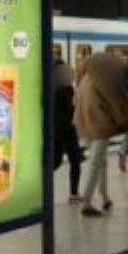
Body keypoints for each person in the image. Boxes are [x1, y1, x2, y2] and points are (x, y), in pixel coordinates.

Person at [73, 53, 128, 217]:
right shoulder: (103, 80)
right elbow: (115, 103)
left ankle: (104, 196)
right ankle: (87, 203)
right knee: (96, 164)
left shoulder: (85, 79)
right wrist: (126, 120)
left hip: (84, 126)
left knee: (101, 162)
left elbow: (76, 102)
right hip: (100, 128)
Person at [52, 60, 85, 201]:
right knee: (75, 161)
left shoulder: (52, 86)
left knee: (56, 161)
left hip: (55, 128)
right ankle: (74, 193)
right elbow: (70, 107)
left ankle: (40, 185)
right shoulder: (64, 87)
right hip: (67, 128)